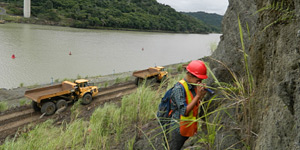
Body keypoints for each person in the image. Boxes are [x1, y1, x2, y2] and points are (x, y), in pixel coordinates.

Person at [168, 60, 208, 150]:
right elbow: (184, 111)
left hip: (189, 126)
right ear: (190, 75)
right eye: (198, 80)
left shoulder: (193, 85)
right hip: (178, 129)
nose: (200, 82)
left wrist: (201, 95)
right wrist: (198, 96)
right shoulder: (178, 89)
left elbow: (194, 105)